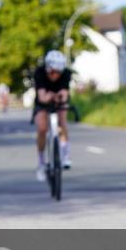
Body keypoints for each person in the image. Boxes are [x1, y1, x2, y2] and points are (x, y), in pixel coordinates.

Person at [32, 50, 72, 182]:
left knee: (62, 122)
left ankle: (65, 154)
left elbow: (65, 93)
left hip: (59, 99)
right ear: (48, 68)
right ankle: (41, 162)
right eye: (53, 72)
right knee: (42, 128)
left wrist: (61, 98)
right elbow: (42, 96)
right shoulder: (40, 73)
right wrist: (48, 97)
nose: (56, 75)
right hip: (43, 101)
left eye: (58, 72)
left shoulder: (66, 73)